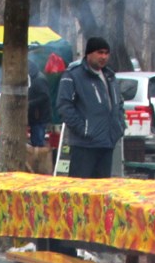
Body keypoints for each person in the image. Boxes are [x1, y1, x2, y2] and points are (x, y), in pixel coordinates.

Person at [56, 37, 125, 179]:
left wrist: (119, 125)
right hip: (84, 145)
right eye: (100, 52)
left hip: (107, 142)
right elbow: (64, 105)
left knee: (102, 192)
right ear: (89, 53)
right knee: (81, 192)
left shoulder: (110, 76)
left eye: (106, 53)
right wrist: (83, 129)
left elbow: (119, 103)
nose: (104, 57)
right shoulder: (73, 75)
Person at [27, 60, 53, 174]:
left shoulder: (39, 80)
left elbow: (44, 96)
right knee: (36, 141)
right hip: (36, 117)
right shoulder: (35, 78)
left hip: (39, 117)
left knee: (38, 143)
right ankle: (38, 167)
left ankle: (40, 168)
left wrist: (30, 103)